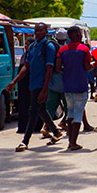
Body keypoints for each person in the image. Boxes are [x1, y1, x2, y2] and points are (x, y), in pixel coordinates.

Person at [6, 23, 64, 152]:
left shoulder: (48, 46)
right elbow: (26, 67)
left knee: (33, 111)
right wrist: (14, 81)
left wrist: (44, 89)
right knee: (40, 109)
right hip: (33, 83)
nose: (37, 33)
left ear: (45, 32)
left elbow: (49, 69)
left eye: (40, 30)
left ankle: (25, 141)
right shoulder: (32, 47)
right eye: (36, 30)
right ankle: (56, 131)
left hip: (43, 84)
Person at [56, 26, 97, 150]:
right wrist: (96, 63)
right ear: (77, 36)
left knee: (70, 112)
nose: (81, 36)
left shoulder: (62, 50)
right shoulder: (84, 49)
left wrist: (67, 72)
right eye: (79, 34)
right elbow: (87, 67)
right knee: (78, 113)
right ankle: (73, 142)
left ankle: (70, 141)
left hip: (67, 85)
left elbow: (58, 67)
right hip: (80, 85)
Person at [45, 29, 69, 134]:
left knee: (50, 106)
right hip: (63, 81)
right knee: (68, 106)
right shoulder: (65, 49)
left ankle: (46, 127)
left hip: (52, 81)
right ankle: (65, 123)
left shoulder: (51, 47)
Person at [15, 37, 36, 134]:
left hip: (32, 83)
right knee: (23, 105)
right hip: (23, 85)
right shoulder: (25, 55)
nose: (26, 46)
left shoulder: (35, 55)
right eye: (25, 44)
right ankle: (23, 127)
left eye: (28, 44)